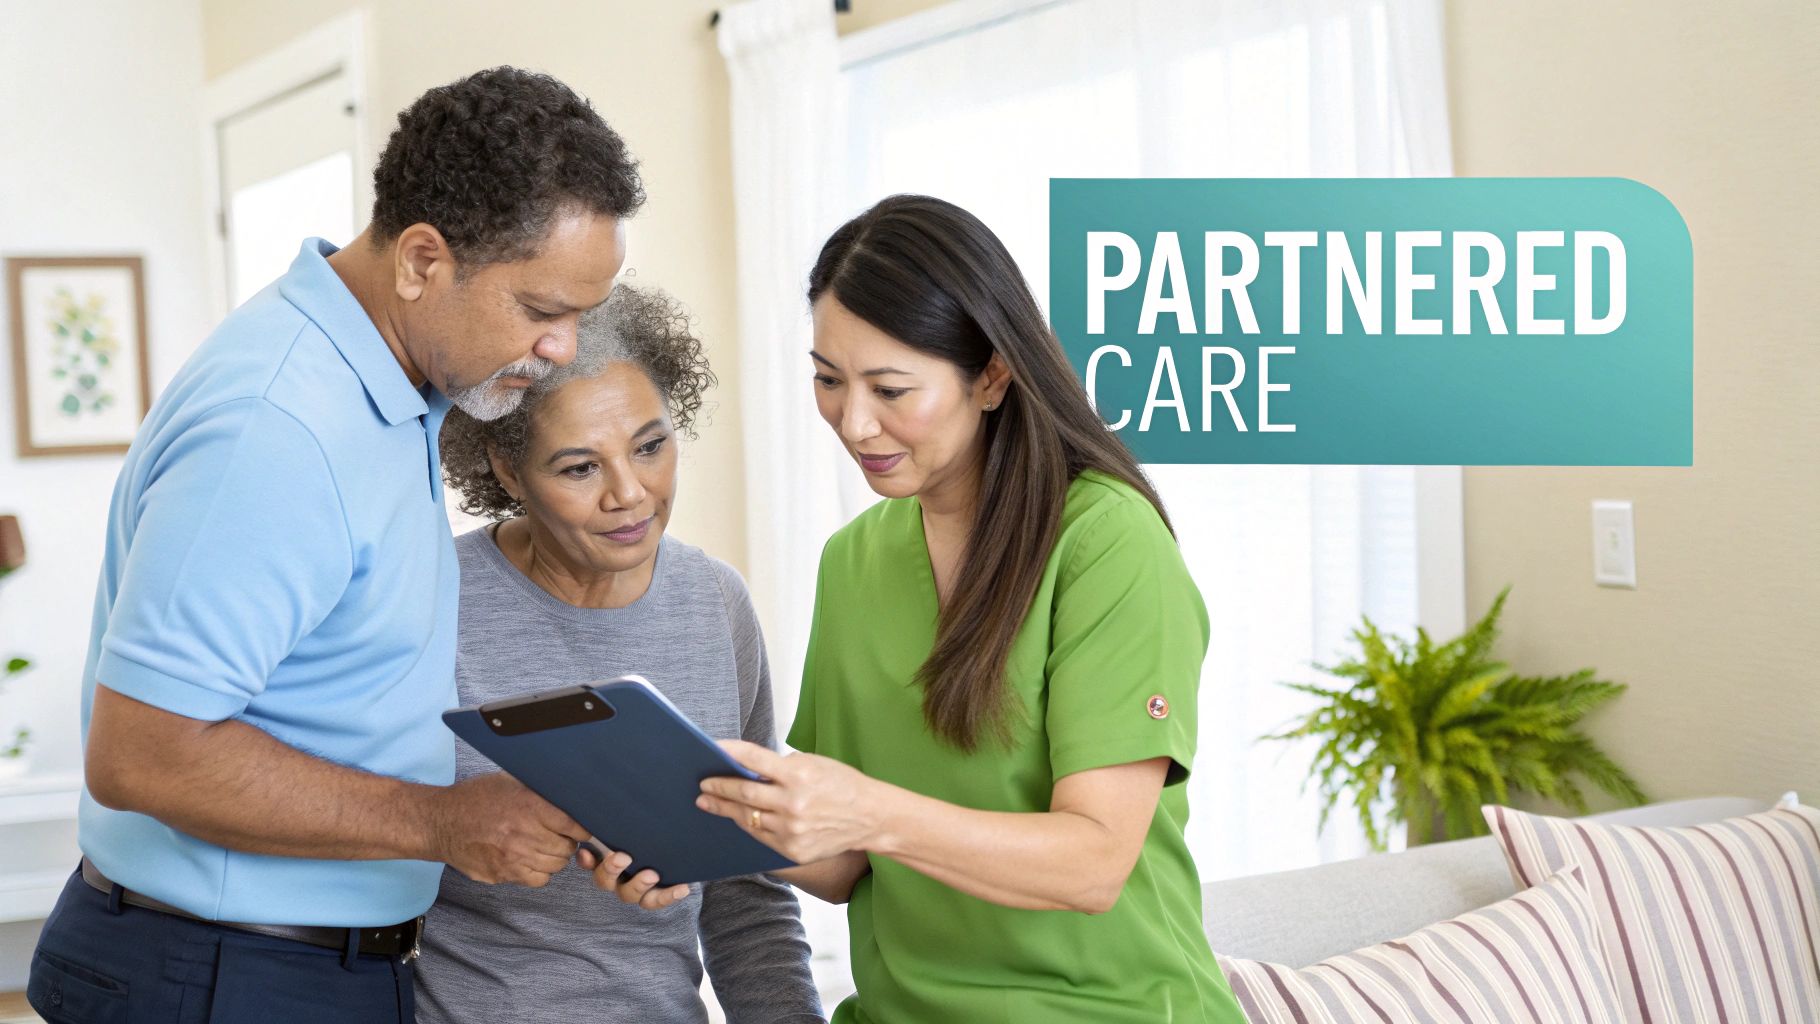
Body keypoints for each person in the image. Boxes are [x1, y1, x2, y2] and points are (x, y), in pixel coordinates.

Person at [29, 68, 642, 1023]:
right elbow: (143, 754)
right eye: (539, 311)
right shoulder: (277, 426)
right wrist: (441, 823)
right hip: (218, 975)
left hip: (291, 968)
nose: (564, 348)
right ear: (421, 261)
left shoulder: (391, 390)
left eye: (579, 315)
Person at [692, 195, 1247, 1022]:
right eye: (828, 379)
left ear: (991, 376)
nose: (854, 423)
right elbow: (843, 865)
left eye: (890, 389)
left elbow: (1094, 864)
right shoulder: (853, 562)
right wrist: (682, 819)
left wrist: (871, 811)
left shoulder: (1106, 542)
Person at [418, 284, 823, 1024]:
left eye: (650, 447)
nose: (631, 494)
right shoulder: (427, 601)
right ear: (507, 470)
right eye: (580, 468)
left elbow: (748, 891)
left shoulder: (715, 601)